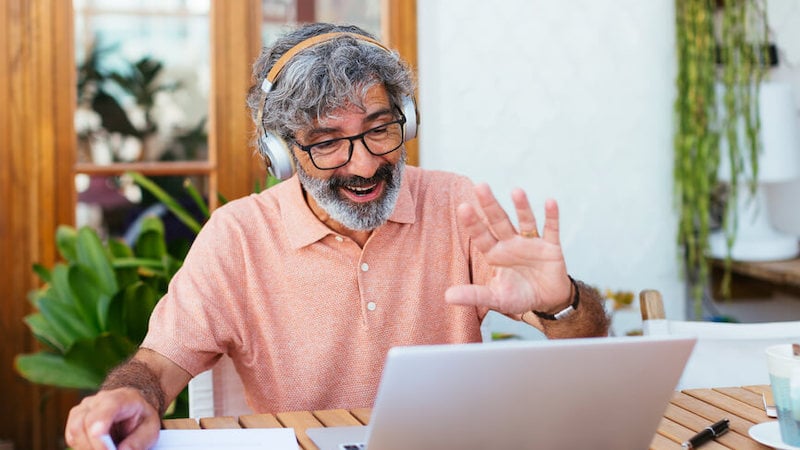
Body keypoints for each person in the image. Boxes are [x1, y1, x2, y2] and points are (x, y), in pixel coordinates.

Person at [64, 22, 610, 449]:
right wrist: (125, 396)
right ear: (281, 152)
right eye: (327, 142)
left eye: (379, 129)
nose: (365, 164)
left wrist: (562, 303)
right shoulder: (237, 236)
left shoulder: (456, 203)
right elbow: (158, 365)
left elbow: (588, 343)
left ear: (408, 120)